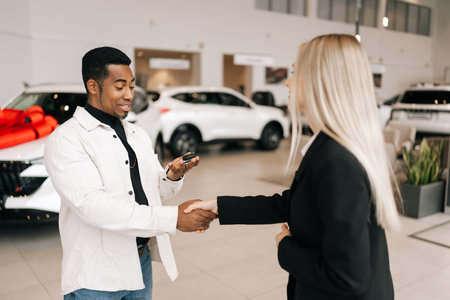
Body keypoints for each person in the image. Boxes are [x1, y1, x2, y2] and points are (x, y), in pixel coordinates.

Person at [185, 34, 401, 300]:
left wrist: (285, 247)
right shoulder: (330, 145)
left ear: (320, 82)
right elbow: (295, 203)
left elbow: (348, 277)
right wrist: (219, 206)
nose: (287, 82)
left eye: (295, 73)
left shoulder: (337, 160)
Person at [44, 46, 216, 300]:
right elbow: (94, 206)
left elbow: (152, 193)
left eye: (132, 86)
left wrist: (172, 176)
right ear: (93, 86)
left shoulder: (137, 134)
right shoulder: (67, 139)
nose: (129, 95)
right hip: (96, 276)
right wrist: (173, 219)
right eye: (120, 86)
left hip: (139, 262)